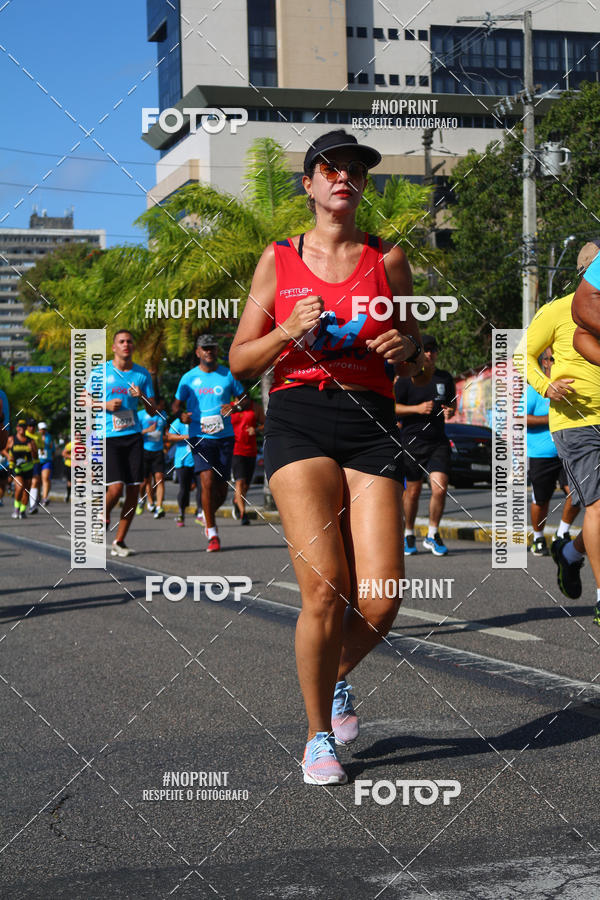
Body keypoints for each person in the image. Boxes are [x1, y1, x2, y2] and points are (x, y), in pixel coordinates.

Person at [229, 129, 423, 785]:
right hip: (300, 419)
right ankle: (318, 739)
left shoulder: (387, 259)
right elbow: (239, 361)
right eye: (330, 169)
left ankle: (335, 673)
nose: (344, 177)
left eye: (356, 171)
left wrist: (409, 353)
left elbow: (418, 355)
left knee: (384, 595)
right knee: (325, 590)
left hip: (370, 422)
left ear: (363, 187)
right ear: (309, 185)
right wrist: (286, 330)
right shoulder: (278, 260)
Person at [525, 242, 600, 622]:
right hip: (576, 421)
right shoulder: (557, 310)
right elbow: (522, 355)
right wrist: (546, 386)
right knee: (599, 504)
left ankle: (570, 554)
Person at [84, 330, 155, 557]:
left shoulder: (141, 374)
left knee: (134, 491)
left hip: (133, 436)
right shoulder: (100, 372)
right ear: (114, 347)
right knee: (115, 488)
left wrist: (142, 396)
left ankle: (119, 540)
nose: (126, 345)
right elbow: (82, 398)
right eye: (121, 342)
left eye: (129, 342)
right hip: (108, 437)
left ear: (133, 347)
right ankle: (99, 518)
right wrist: (103, 405)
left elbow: (153, 410)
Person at [172, 334, 244, 552]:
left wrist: (235, 405)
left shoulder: (228, 375)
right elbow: (176, 405)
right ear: (198, 352)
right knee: (207, 480)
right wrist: (181, 416)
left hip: (225, 437)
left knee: (221, 490)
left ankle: (205, 513)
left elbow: (244, 399)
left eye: (212, 348)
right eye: (205, 348)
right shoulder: (188, 378)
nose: (209, 351)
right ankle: (213, 533)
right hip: (199, 437)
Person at [394, 333, 455, 557]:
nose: (429, 354)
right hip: (411, 442)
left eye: (433, 350)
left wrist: (451, 411)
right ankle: (408, 533)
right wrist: (416, 409)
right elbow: (392, 407)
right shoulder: (405, 379)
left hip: (437, 441)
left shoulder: (444, 379)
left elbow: (451, 405)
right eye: (425, 350)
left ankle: (432, 533)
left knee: (439, 487)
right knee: (413, 491)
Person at [525, 350, 580, 556]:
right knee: (541, 499)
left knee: (577, 493)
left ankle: (562, 533)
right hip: (541, 454)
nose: (555, 362)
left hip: (567, 452)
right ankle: (538, 538)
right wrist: (551, 419)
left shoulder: (569, 386)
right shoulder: (535, 390)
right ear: (545, 364)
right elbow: (521, 418)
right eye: (551, 359)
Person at [231, 394, 263, 525]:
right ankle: (243, 514)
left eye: (242, 399)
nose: (238, 402)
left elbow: (266, 424)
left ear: (248, 399)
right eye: (237, 399)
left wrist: (255, 429)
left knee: (246, 485)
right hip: (235, 450)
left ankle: (236, 501)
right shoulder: (230, 408)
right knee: (240, 482)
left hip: (250, 450)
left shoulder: (255, 408)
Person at [137, 397, 167, 519]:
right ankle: (142, 499)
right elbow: (134, 434)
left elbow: (165, 431)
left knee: (159, 478)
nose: (162, 408)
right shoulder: (140, 415)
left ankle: (159, 506)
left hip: (158, 451)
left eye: (163, 406)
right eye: (160, 405)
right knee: (145, 481)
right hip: (144, 451)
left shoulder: (163, 415)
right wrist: (147, 430)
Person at [166, 416, 199, 526]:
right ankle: (181, 514)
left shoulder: (198, 419)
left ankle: (200, 513)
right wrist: (187, 437)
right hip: (183, 461)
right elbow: (170, 437)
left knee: (202, 487)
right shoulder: (178, 422)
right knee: (184, 489)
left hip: (199, 460)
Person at [2, 419, 37, 518]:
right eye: (20, 426)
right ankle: (16, 508)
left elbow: (36, 457)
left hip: (28, 469)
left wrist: (32, 450)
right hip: (17, 469)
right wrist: (8, 456)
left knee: (26, 492)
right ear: (17, 428)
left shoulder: (31, 441)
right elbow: (4, 450)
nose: (22, 428)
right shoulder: (12, 439)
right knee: (20, 487)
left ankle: (22, 510)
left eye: (24, 427)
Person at [37, 422, 55, 506]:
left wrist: (52, 458)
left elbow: (52, 448)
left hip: (47, 460)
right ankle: (38, 496)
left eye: (44, 429)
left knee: (45, 478)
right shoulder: (35, 436)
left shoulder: (49, 436)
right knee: (38, 481)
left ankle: (45, 498)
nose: (43, 431)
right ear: (39, 429)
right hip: (37, 460)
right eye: (42, 429)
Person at [25, 419, 42, 514]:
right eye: (30, 425)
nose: (32, 427)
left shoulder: (38, 435)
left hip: (35, 462)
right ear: (27, 426)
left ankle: (32, 506)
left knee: (35, 482)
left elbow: (40, 447)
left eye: (34, 426)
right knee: (26, 484)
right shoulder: (24, 434)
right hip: (24, 463)